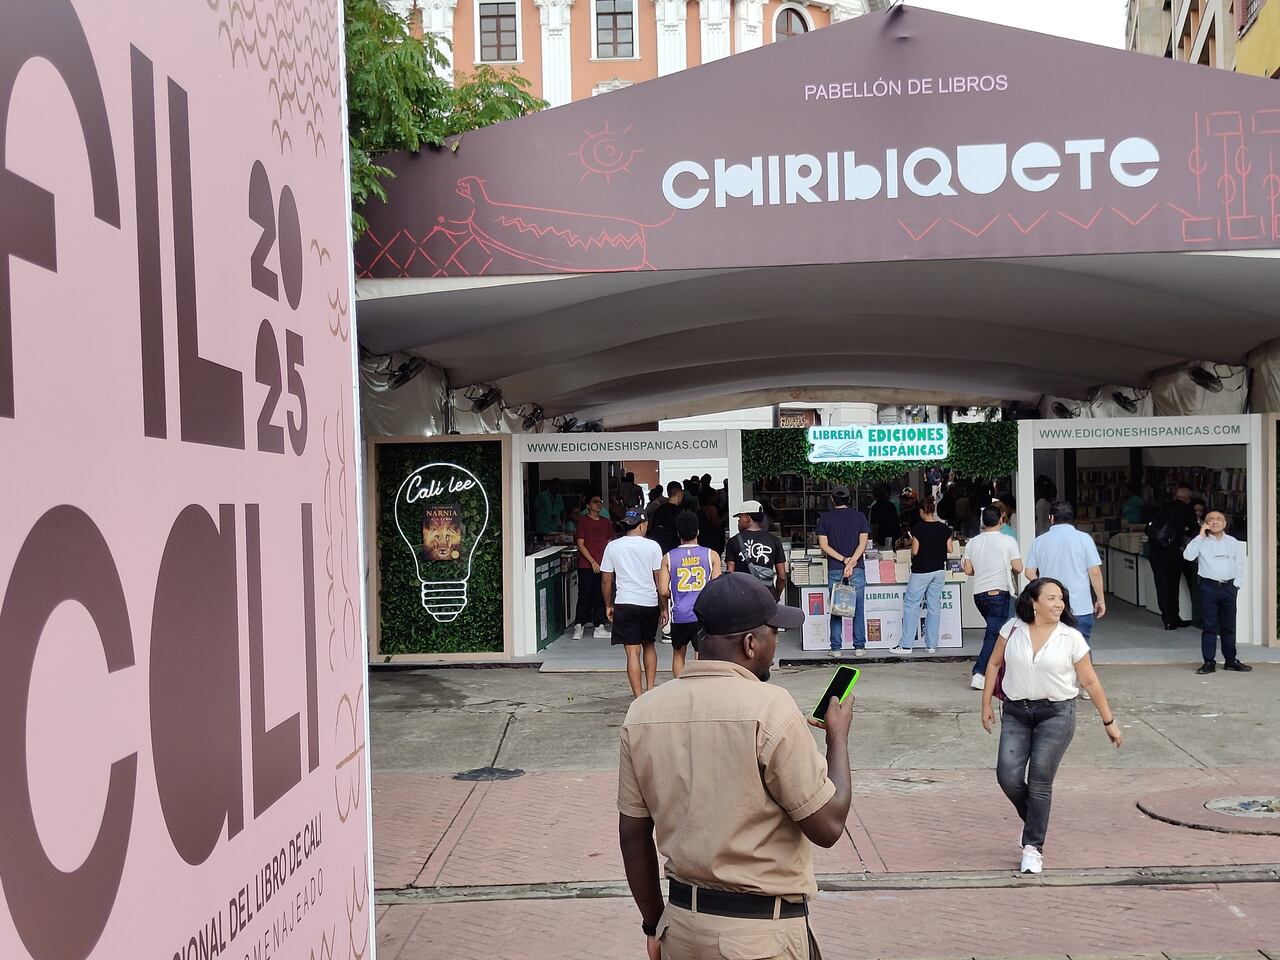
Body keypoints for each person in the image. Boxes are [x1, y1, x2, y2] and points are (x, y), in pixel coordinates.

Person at [617, 573, 852, 960]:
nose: (777, 643)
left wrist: (654, 924)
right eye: (774, 633)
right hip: (758, 937)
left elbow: (632, 834)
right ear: (750, 644)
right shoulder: (771, 709)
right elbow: (828, 825)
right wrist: (837, 738)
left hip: (682, 929)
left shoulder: (643, 712)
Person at [980, 578, 1122, 875]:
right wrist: (985, 705)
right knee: (1007, 777)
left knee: (1041, 780)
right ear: (1034, 601)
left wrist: (1108, 721)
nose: (1059, 604)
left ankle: (1033, 847)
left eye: (1061, 599)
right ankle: (1034, 822)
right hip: (1016, 711)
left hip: (1057, 713)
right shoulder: (1013, 628)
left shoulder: (1070, 637)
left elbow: (1090, 681)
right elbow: (993, 664)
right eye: (1052, 598)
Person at [602, 510, 668, 698]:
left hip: (624, 602)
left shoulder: (613, 546)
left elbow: (606, 580)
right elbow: (658, 579)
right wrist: (664, 607)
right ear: (642, 525)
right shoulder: (653, 546)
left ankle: (638, 697)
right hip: (648, 602)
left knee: (632, 652)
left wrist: (608, 605)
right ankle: (651, 689)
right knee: (649, 645)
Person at [1024, 500, 1105, 643]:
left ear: (1052, 518)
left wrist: (1044, 588)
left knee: (1050, 651)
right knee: (1080, 653)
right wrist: (1100, 600)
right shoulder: (1084, 539)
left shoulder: (1040, 541)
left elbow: (1029, 572)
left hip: (1049, 607)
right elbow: (1095, 572)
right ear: (1071, 518)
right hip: (1079, 607)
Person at [963, 505, 1024, 688]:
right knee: (994, 633)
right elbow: (1019, 567)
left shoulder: (973, 542)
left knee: (999, 631)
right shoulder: (1007, 541)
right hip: (998, 593)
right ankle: (980, 673)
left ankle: (1000, 669)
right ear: (1001, 519)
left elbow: (968, 570)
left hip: (979, 595)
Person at [1182, 510, 1250, 674]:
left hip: (1228, 588)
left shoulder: (1233, 542)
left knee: (1228, 626)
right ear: (1205, 523)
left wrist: (1236, 585)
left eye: (1218, 519)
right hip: (1208, 587)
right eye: (1210, 520)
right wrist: (1200, 535)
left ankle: (1230, 660)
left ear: (1225, 523)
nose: (1214, 522)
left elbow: (1239, 565)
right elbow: (1188, 556)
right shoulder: (1201, 541)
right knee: (1209, 626)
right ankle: (1209, 662)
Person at [660, 511, 721, 677]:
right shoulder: (711, 555)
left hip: (680, 615)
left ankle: (680, 686)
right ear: (698, 531)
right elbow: (716, 588)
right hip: (703, 615)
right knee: (700, 654)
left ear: (678, 533)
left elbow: (663, 590)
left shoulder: (668, 557)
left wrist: (675, 596)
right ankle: (699, 687)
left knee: (678, 653)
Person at [890, 496, 953, 654]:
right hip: (939, 571)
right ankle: (931, 645)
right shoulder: (944, 528)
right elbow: (950, 549)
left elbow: (915, 551)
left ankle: (906, 645)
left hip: (921, 571)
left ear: (921, 511)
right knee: (934, 606)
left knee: (911, 605)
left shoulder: (918, 528)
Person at [817, 484, 870, 658]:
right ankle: (859, 646)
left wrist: (843, 560)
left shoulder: (824, 519)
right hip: (857, 568)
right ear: (849, 499)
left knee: (836, 608)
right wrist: (852, 561)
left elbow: (824, 546)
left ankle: (836, 648)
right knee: (859, 607)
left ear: (832, 499)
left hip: (835, 568)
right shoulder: (859, 517)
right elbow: (863, 543)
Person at [1146, 485, 1199, 630]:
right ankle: (1175, 617)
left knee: (1161, 584)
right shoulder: (1186, 509)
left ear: (1175, 496)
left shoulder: (1159, 507)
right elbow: (1196, 529)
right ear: (1188, 499)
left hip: (1155, 551)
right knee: (1172, 585)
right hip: (1172, 551)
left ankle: (1168, 620)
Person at [726, 501, 788, 599]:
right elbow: (782, 576)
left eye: (740, 517)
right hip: (767, 596)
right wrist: (776, 596)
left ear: (748, 518)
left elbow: (730, 574)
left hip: (742, 597)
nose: (738, 521)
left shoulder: (733, 541)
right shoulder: (774, 540)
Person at [572, 495, 614, 640]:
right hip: (586, 565)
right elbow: (580, 544)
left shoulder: (606, 522)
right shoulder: (583, 521)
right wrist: (593, 562)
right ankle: (579, 625)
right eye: (595, 502)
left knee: (600, 595)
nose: (598, 504)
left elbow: (609, 542)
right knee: (584, 595)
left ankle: (599, 625)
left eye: (600, 502)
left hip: (603, 564)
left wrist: (607, 562)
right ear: (588, 506)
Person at [647, 481, 684, 553]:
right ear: (680, 494)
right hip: (675, 550)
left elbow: (653, 530)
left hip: (660, 548)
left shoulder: (659, 510)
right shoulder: (680, 512)